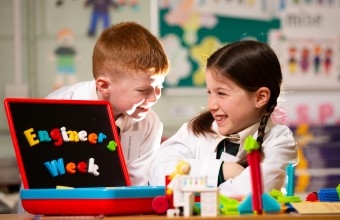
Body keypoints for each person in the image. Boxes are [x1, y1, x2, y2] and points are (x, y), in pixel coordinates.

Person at [149, 40, 298, 198]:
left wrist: (188, 187)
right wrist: (222, 170)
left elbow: (252, 192)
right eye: (209, 93)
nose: (211, 105)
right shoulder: (195, 130)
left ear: (260, 97)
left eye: (222, 93)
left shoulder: (279, 140)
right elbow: (158, 174)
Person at [46, 21, 169, 186]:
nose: (154, 98)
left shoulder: (149, 124)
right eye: (142, 91)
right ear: (104, 86)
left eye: (159, 87)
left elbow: (135, 187)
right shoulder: (55, 108)